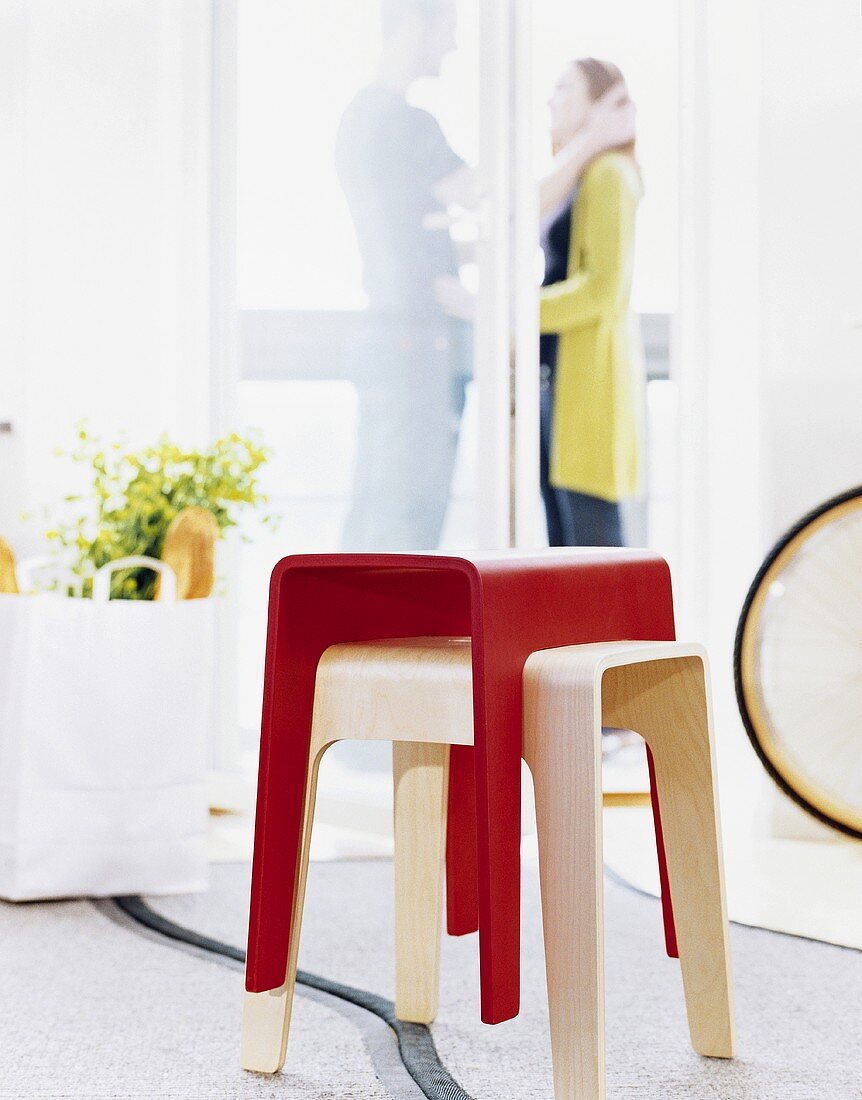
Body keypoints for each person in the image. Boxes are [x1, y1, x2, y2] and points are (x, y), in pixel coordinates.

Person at [335, 0, 471, 552]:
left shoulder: (358, 118)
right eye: (450, 30)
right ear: (415, 22)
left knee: (377, 508)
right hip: (416, 343)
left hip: (385, 337)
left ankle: (346, 637)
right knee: (406, 522)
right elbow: (485, 194)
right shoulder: (405, 122)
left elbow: (406, 232)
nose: (454, 46)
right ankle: (387, 639)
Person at [539, 57, 644, 547]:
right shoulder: (583, 174)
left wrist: (514, 316)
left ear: (599, 105)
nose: (551, 101)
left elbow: (602, 290)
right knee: (570, 554)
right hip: (560, 385)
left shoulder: (609, 176)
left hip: (587, 388)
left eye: (564, 90)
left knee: (591, 556)